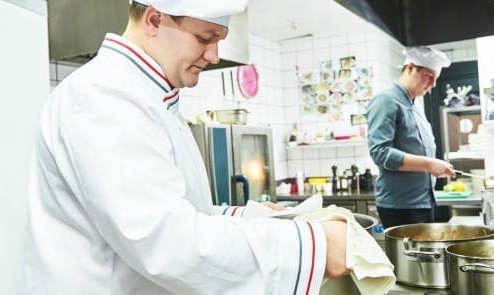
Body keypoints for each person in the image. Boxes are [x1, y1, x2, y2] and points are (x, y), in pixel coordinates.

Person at [25, 1, 348, 294]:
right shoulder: (103, 96)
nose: (214, 55)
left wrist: (247, 216)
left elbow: (179, 211)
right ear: (154, 19)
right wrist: (311, 247)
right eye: (205, 38)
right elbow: (164, 240)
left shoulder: (149, 96)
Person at [366, 46, 456, 229]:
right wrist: (429, 164)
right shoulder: (386, 101)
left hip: (423, 202)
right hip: (401, 207)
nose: (433, 85)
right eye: (429, 77)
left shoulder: (414, 106)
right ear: (410, 68)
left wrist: (433, 165)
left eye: (435, 79)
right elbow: (380, 153)